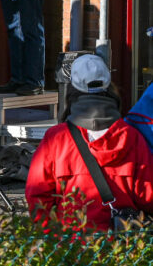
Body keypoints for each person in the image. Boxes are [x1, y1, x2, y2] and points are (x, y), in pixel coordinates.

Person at [27, 54, 153, 231]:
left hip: (70, 246)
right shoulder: (132, 136)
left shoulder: (56, 138)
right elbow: (147, 197)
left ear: (72, 90)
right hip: (122, 248)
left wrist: (52, 238)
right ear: (110, 88)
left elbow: (37, 196)